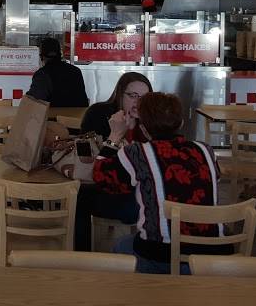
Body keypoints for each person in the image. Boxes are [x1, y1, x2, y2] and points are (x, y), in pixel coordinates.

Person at [93, 92, 225, 274]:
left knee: (121, 246)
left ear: (144, 129)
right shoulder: (206, 150)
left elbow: (100, 176)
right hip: (211, 257)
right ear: (181, 123)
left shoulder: (137, 153)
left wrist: (115, 135)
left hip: (160, 255)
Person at [73, 72, 152, 250]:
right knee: (79, 196)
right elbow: (87, 159)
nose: (138, 102)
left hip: (140, 194)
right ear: (120, 94)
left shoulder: (150, 123)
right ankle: (82, 254)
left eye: (144, 98)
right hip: (103, 187)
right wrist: (115, 135)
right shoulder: (99, 113)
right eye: (133, 96)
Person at [25, 38, 89, 107]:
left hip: (55, 113)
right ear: (59, 53)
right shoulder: (75, 70)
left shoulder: (42, 74)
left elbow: (34, 100)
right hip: (79, 113)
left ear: (42, 56)